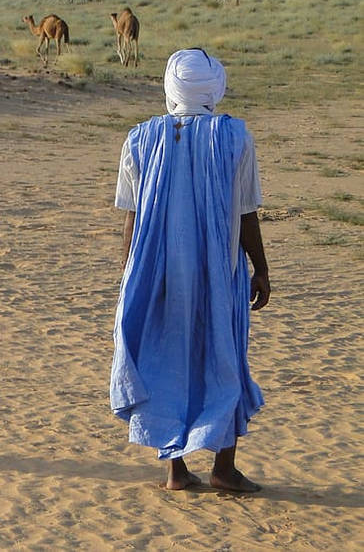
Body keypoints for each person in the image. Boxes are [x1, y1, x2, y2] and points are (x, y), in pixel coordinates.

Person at [110, 48, 271, 492]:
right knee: (224, 354)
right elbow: (245, 213)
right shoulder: (235, 137)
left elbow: (132, 217)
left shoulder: (140, 139)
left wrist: (128, 276)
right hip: (220, 268)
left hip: (160, 270)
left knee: (170, 354)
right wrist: (261, 268)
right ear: (213, 87)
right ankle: (223, 467)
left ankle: (177, 470)